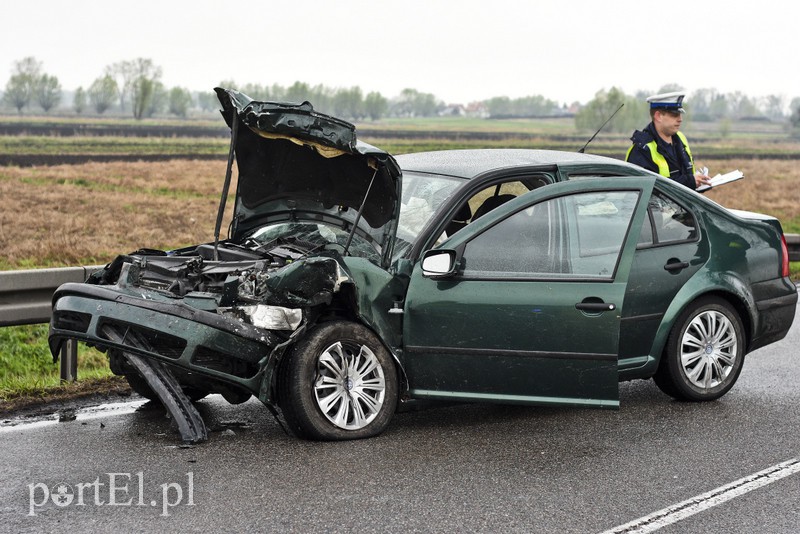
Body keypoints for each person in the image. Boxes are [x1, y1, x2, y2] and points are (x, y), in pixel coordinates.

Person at [626, 91, 710, 190]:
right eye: (674, 115)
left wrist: (698, 181)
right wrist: (690, 181)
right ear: (658, 116)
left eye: (680, 114)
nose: (680, 119)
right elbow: (649, 190)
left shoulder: (681, 138)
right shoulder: (641, 150)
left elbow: (686, 175)